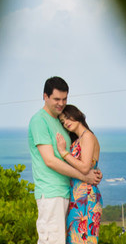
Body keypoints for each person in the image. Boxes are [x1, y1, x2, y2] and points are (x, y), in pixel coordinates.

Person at [28, 77, 101, 244]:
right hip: (51, 192)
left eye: (64, 99)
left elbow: (80, 155)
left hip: (68, 192)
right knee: (52, 241)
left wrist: (92, 168)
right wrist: (85, 176)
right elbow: (50, 161)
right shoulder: (39, 120)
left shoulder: (60, 121)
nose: (61, 103)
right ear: (45, 96)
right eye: (56, 99)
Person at [55, 104, 102, 243]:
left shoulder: (87, 136)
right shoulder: (79, 138)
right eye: (63, 122)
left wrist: (64, 153)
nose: (66, 123)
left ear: (78, 115)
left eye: (68, 118)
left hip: (86, 197)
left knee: (84, 239)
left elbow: (85, 167)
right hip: (77, 197)